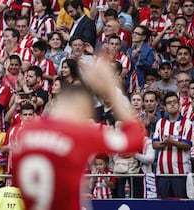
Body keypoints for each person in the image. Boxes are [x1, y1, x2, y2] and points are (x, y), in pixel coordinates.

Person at [12, 56, 144, 210]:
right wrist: (113, 92)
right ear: (82, 107)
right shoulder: (79, 134)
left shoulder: (25, 133)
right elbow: (134, 139)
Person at [152, 91, 192, 199]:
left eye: (175, 102)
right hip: (162, 172)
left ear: (179, 105)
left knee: (181, 204)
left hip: (180, 172)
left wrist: (170, 142)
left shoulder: (186, 122)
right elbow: (154, 144)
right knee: (163, 204)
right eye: (169, 103)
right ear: (165, 107)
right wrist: (166, 143)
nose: (172, 104)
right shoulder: (160, 122)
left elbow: (187, 145)